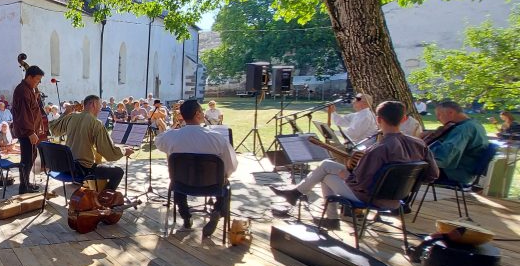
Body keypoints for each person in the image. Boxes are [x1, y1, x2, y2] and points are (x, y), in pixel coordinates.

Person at [270, 101, 439, 229]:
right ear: (403, 119)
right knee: (327, 165)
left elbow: (360, 183)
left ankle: (329, 217)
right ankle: (297, 194)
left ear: (378, 120)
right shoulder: (420, 144)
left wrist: (346, 174)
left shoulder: (379, 149)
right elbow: (432, 174)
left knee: (326, 176)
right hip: (399, 199)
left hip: (372, 198)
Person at [155, 100, 238, 237]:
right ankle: (217, 210)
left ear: (182, 115)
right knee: (226, 185)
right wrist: (224, 176)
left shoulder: (172, 136)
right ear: (198, 114)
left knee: (177, 179)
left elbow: (158, 142)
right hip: (212, 185)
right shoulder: (217, 138)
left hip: (182, 184)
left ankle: (186, 217)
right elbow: (231, 165)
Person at [48, 94, 134, 192]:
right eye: (100, 105)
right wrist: (124, 151)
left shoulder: (71, 116)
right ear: (93, 104)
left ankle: (94, 193)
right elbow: (109, 152)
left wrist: (66, 112)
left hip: (66, 166)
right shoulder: (96, 123)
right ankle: (104, 198)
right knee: (118, 172)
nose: (100, 109)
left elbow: (53, 129)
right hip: (82, 169)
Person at [425, 100, 490, 183]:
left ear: (451, 112)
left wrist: (422, 153)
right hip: (467, 172)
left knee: (411, 170)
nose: (437, 118)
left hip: (455, 173)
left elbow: (444, 157)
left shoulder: (462, 129)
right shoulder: (475, 124)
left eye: (439, 115)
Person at [12, 65, 45, 194]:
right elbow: (24, 113)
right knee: (26, 159)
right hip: (26, 132)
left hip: (29, 131)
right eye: (37, 79)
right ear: (29, 77)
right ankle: (24, 186)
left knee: (30, 157)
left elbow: (31, 108)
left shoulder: (27, 90)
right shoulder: (23, 91)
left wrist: (35, 98)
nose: (38, 82)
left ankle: (26, 183)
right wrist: (30, 132)